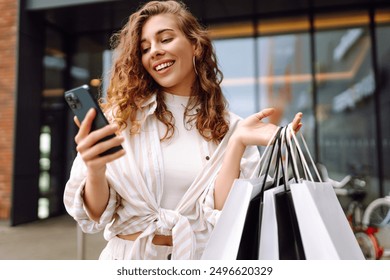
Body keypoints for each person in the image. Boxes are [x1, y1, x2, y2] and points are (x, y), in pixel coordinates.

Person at [64, 0, 302, 260]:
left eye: (165, 39)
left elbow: (226, 215)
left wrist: (237, 143)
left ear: (196, 46)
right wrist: (95, 169)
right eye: (145, 48)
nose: (154, 51)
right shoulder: (119, 120)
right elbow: (95, 214)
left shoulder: (231, 127)